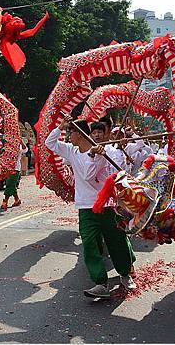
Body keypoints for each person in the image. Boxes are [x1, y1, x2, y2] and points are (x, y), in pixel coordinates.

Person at [45, 117, 136, 298]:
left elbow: (88, 174)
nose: (68, 136)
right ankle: (100, 282)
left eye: (71, 132)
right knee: (89, 244)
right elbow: (50, 143)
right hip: (85, 207)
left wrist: (95, 155)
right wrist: (60, 127)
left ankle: (125, 274)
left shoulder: (104, 151)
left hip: (107, 205)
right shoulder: (71, 150)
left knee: (116, 241)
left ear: (79, 134)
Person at [1, 141, 28, 209]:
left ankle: (5, 201)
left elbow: (25, 149)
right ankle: (17, 200)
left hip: (15, 168)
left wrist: (20, 141)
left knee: (9, 184)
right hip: (7, 168)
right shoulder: (6, 145)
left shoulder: (18, 145)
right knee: (11, 184)